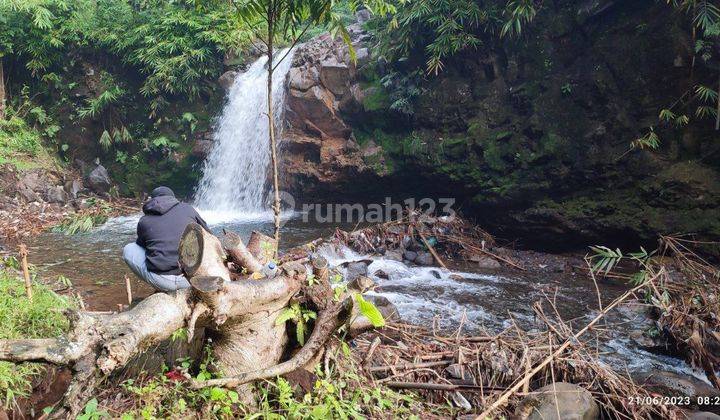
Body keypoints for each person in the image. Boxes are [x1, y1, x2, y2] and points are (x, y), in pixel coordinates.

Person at [123, 186, 209, 292]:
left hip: (162, 280)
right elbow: (209, 235)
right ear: (173, 198)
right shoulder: (188, 209)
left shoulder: (144, 220)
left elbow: (142, 246)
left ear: (152, 200)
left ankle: (162, 289)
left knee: (129, 248)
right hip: (191, 279)